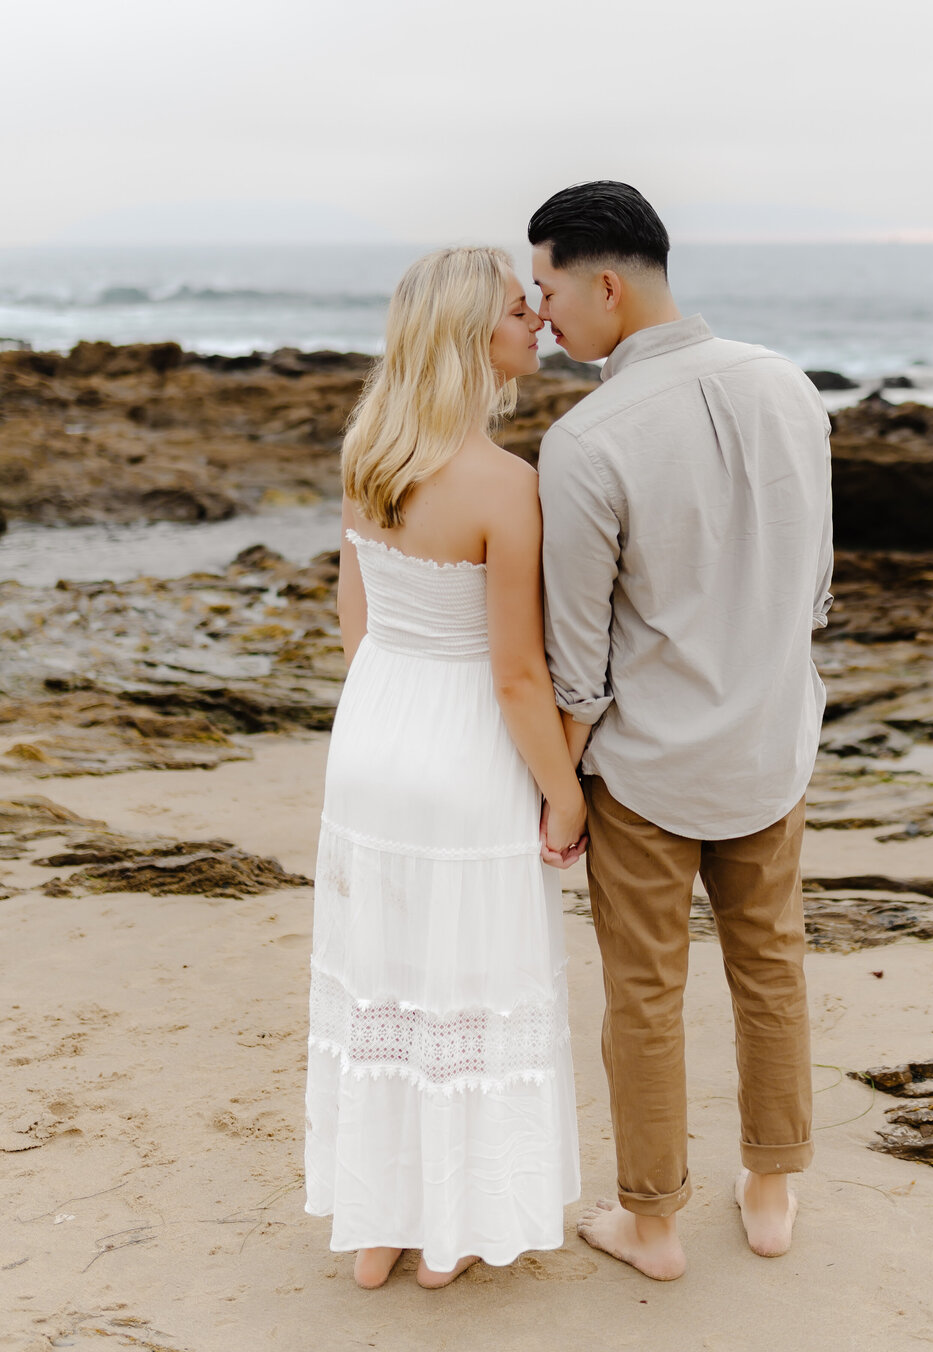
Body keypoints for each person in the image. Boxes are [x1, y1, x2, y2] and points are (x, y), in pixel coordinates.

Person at [530, 181, 833, 1282]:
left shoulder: (586, 438)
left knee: (644, 993)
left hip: (648, 767)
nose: (541, 310)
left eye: (548, 285)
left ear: (603, 281)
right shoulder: (790, 386)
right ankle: (773, 1187)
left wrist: (557, 787)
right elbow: (815, 584)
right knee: (773, 966)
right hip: (771, 744)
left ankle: (651, 1222)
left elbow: (577, 660)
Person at [304, 247, 584, 1290]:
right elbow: (516, 675)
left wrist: (385, 709)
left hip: (375, 733)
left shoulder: (369, 449)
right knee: (466, 984)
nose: (537, 326)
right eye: (520, 311)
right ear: (475, 339)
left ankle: (379, 1227)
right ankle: (453, 1227)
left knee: (385, 978)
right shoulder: (508, 485)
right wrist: (564, 794)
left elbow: (356, 620)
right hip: (466, 745)